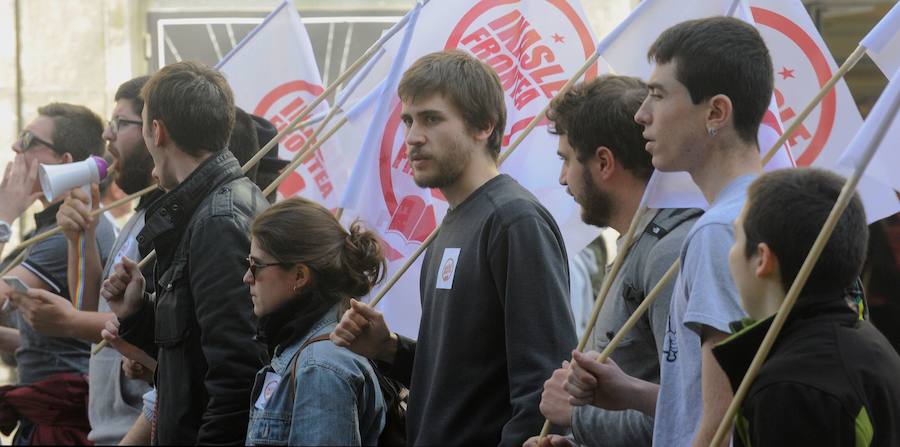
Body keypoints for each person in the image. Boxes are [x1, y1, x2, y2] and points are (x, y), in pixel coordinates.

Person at [331, 50, 577, 446]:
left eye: (431, 119)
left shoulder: (515, 221)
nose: (412, 137)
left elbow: (544, 385)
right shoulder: (451, 225)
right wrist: (389, 348)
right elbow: (459, 379)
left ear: (483, 125)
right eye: (408, 120)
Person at [564, 17, 773, 446]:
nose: (642, 115)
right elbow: (708, 397)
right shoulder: (764, 211)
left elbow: (720, 424)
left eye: (658, 95)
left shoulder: (717, 231)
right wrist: (631, 393)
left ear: (716, 112)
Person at [526, 75, 702, 447]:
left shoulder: (669, 255)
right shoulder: (638, 245)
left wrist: (577, 417)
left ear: (604, 162)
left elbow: (693, 416)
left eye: (567, 160)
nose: (562, 178)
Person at [100, 61, 268, 444]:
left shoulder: (217, 219)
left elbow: (236, 373)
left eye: (141, 126)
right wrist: (138, 311)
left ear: (156, 131)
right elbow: (189, 356)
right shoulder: (206, 208)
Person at [9, 76, 160, 446]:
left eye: (120, 123)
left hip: (123, 426)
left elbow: (155, 323)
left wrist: (3, 215)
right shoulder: (138, 217)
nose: (108, 137)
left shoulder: (167, 221)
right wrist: (82, 239)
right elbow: (90, 304)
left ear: (155, 131)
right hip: (104, 426)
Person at [714, 168, 900, 445]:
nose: (731, 254)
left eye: (736, 238)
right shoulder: (866, 342)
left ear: (761, 258)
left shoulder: (789, 388)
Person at [0, 103, 117, 444]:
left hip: (59, 423)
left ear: (65, 163)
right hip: (46, 415)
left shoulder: (65, 236)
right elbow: (52, 339)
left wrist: (4, 217)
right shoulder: (49, 230)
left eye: (29, 139)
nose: (16, 148)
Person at [244, 197, 387, 445]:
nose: (247, 277)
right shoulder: (304, 350)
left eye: (256, 266)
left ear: (299, 275)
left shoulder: (320, 368)